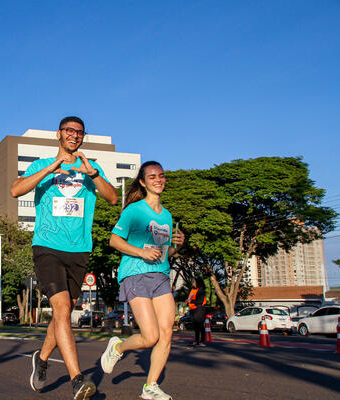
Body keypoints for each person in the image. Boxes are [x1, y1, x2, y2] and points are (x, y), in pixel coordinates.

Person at [11, 116, 117, 400]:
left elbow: (113, 198)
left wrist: (93, 174)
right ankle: (77, 380)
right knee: (60, 309)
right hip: (47, 246)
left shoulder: (90, 169)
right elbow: (15, 190)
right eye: (69, 131)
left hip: (79, 249)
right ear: (59, 134)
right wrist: (52, 168)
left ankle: (42, 360)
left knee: (65, 311)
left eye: (79, 132)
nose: (74, 135)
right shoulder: (41, 166)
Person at [100, 161, 185, 400]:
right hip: (135, 273)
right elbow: (114, 241)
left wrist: (179, 245)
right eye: (152, 176)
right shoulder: (134, 210)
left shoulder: (166, 215)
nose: (158, 180)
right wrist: (141, 252)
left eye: (161, 176)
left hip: (160, 275)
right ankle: (118, 347)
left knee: (167, 332)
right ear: (142, 181)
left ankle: (150, 387)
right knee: (150, 337)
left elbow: (165, 252)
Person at [186, 276, 207, 346]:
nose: (193, 283)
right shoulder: (193, 290)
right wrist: (188, 301)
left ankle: (202, 341)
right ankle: (196, 340)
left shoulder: (201, 290)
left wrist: (191, 301)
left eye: (194, 282)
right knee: (195, 326)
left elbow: (200, 301)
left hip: (199, 309)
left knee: (200, 325)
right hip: (193, 309)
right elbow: (190, 298)